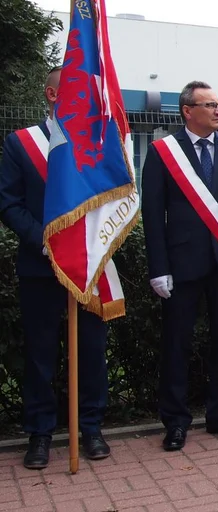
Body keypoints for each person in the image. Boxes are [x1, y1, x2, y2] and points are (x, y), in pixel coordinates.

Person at [0, 67, 111, 469]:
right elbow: (9, 203)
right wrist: (46, 243)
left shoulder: (97, 145)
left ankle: (91, 427)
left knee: (93, 351)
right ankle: (40, 434)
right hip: (40, 266)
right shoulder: (21, 143)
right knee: (41, 354)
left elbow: (111, 201)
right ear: (51, 94)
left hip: (87, 267)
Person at [142, 81, 218, 451]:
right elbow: (152, 214)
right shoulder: (163, 152)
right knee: (177, 344)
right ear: (188, 111)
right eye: (210, 105)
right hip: (181, 265)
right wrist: (158, 267)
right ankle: (175, 422)